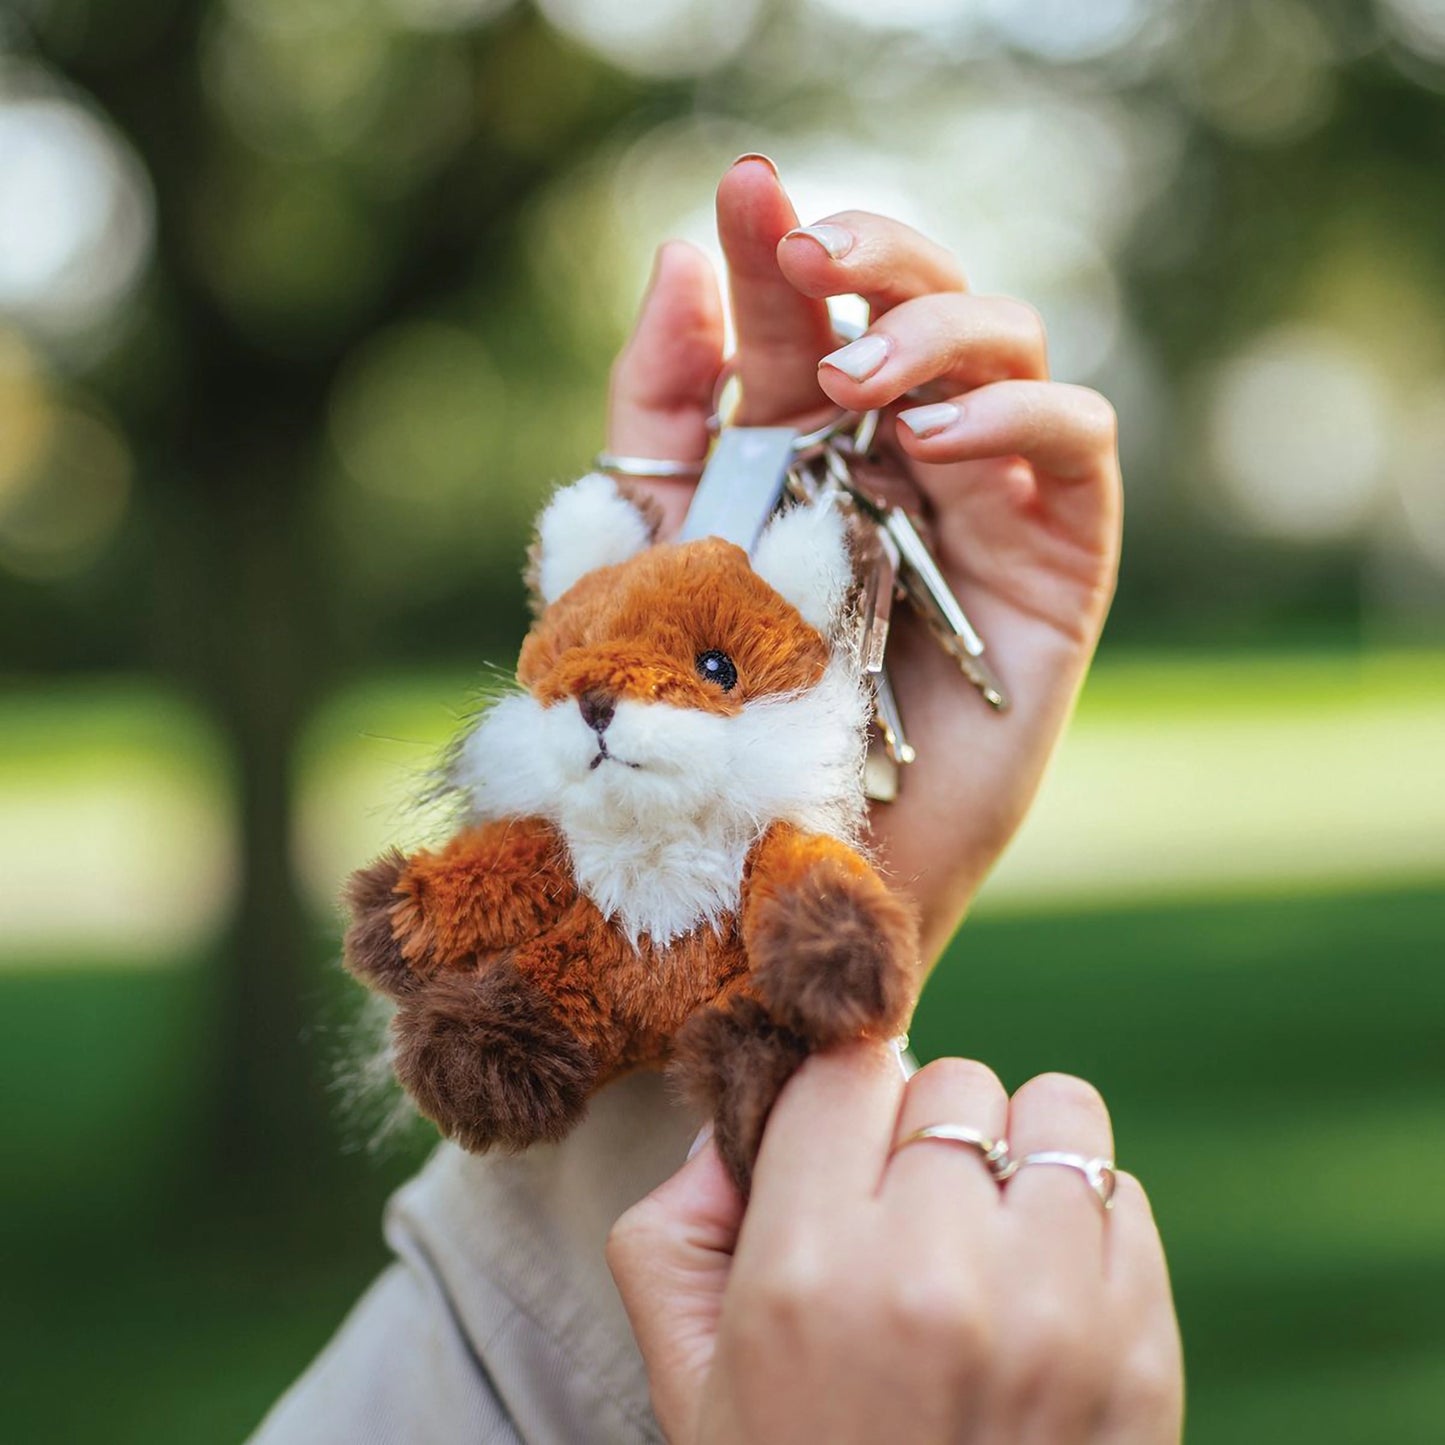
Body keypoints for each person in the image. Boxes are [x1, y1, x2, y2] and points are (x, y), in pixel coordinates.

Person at [250, 155, 1181, 1444]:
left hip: (723, 995)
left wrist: (868, 860)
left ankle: (750, 1081)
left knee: (761, 1033)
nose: (602, 696)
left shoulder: (779, 804)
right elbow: (498, 889)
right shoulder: (557, 807)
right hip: (577, 1009)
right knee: (506, 1016)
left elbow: (811, 899)